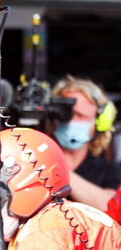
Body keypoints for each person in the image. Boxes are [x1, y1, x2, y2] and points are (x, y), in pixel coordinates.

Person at [48, 76, 119, 211]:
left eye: (81, 116)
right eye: (67, 115)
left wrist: (56, 169)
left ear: (100, 123)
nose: (71, 121)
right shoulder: (31, 161)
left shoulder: (110, 171)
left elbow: (110, 206)